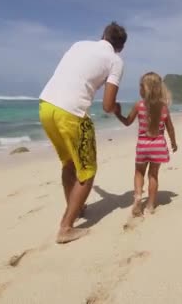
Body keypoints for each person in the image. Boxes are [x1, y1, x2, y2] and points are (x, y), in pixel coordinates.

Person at [38, 22, 127, 244]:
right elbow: (107, 106)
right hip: (72, 113)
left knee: (69, 163)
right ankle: (66, 228)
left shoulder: (79, 45)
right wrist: (117, 109)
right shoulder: (115, 61)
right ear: (121, 47)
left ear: (102, 36)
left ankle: (75, 208)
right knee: (87, 172)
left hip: (46, 106)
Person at [114, 72, 178, 217]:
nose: (139, 89)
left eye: (140, 86)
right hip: (158, 147)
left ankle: (137, 198)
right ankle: (150, 205)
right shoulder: (164, 107)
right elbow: (170, 128)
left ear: (145, 89)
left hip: (143, 146)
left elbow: (127, 122)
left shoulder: (139, 105)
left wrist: (118, 113)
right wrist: (173, 143)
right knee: (153, 175)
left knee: (139, 172)